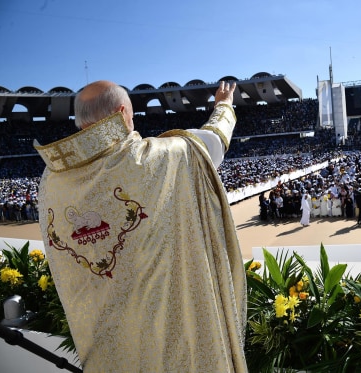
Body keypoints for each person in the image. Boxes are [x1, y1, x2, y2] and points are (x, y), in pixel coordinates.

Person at [34, 80, 248, 372]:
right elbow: (212, 142)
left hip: (107, 349)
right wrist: (223, 105)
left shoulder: (52, 181)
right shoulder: (152, 159)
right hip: (171, 341)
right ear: (123, 112)